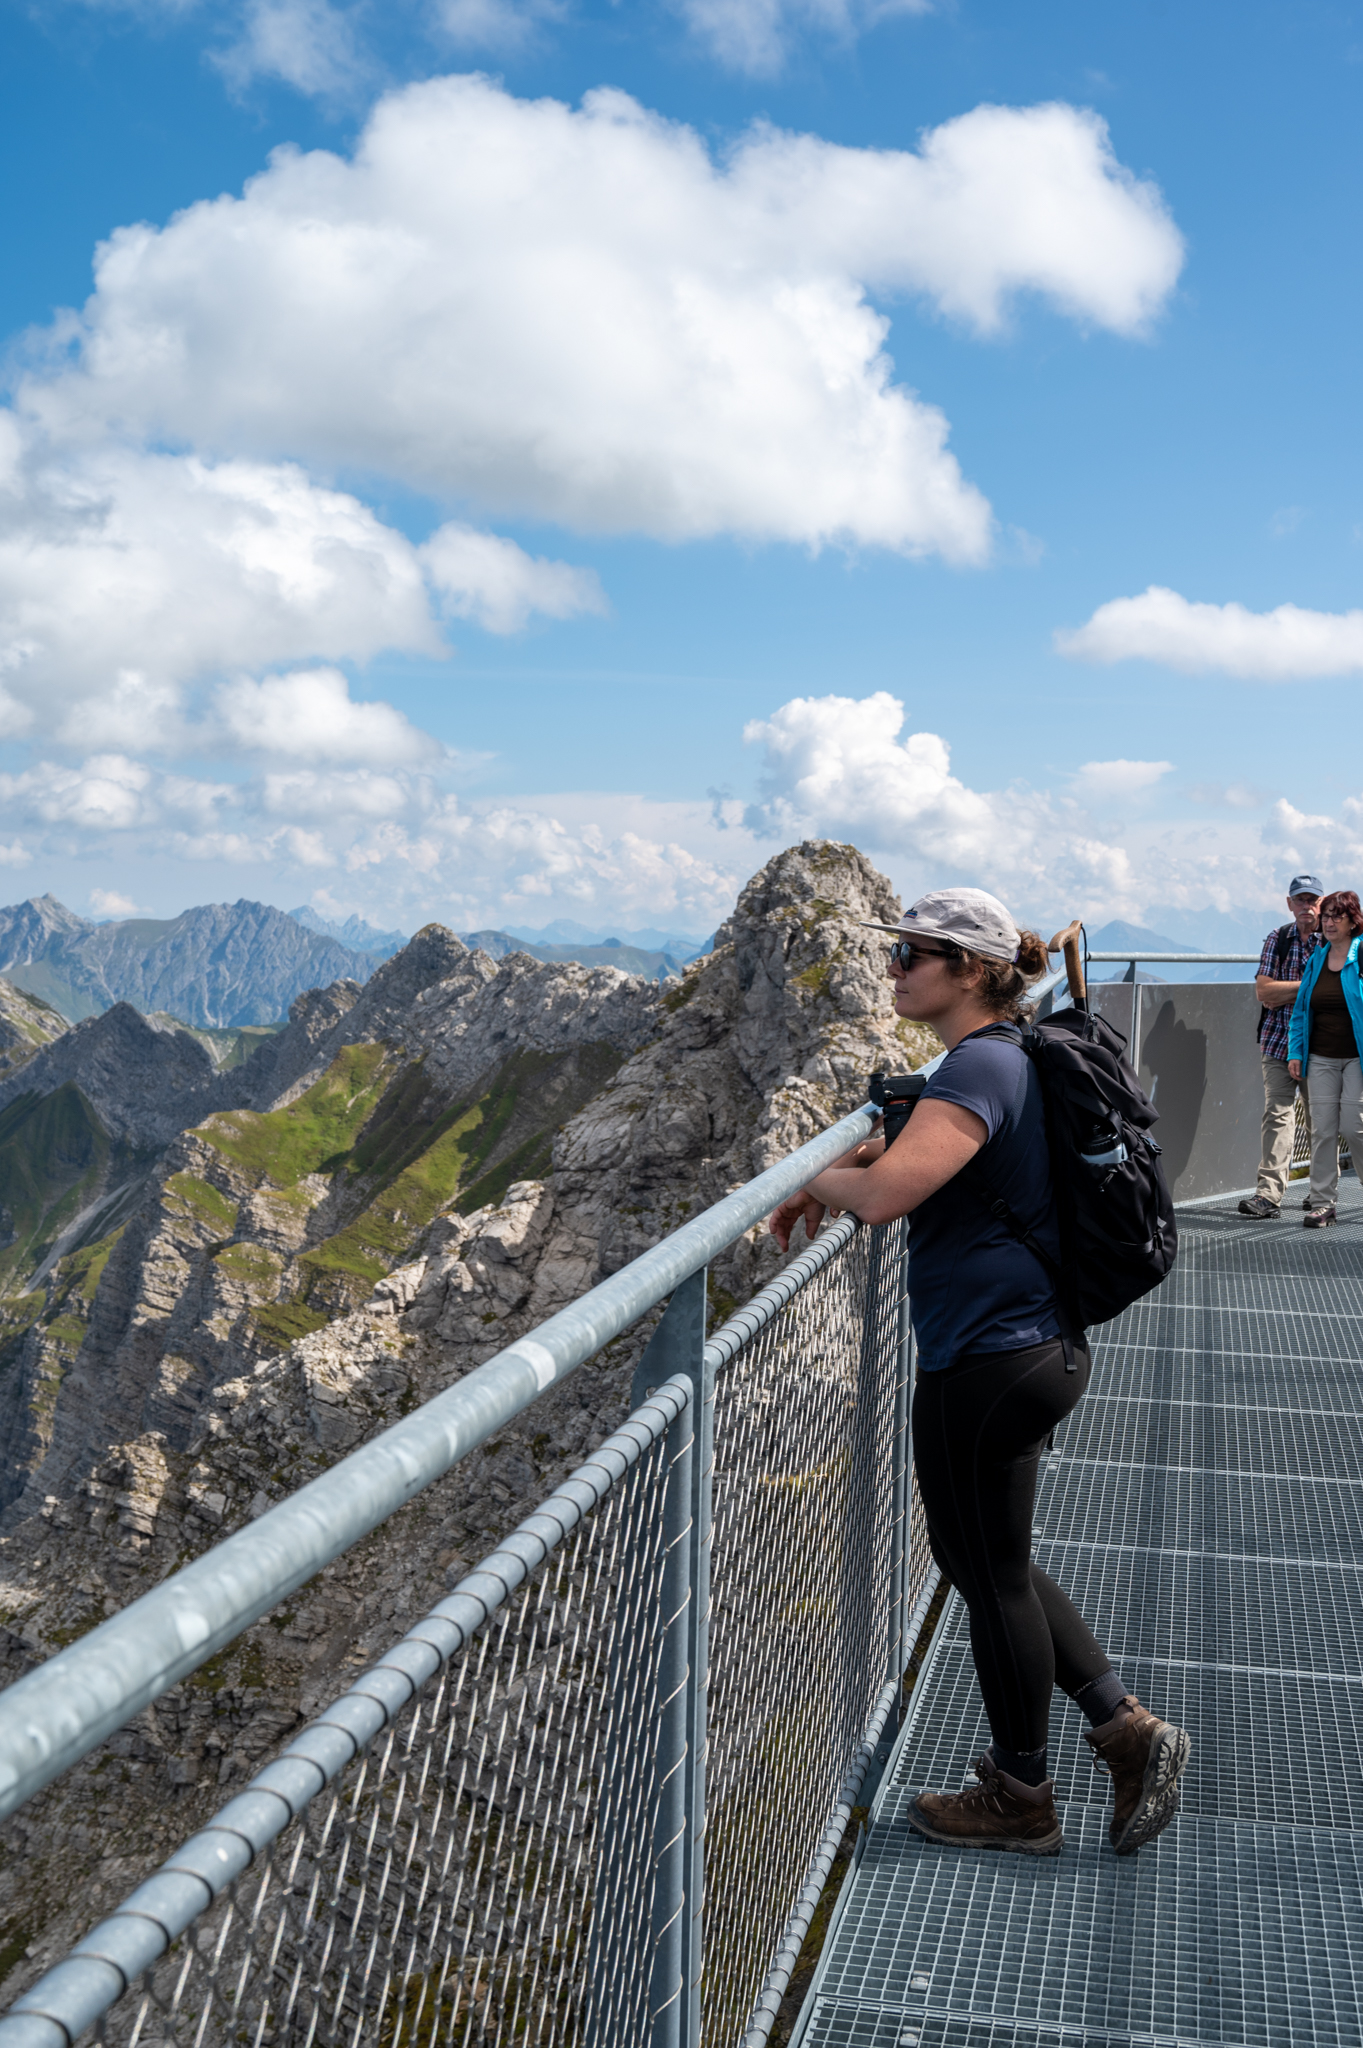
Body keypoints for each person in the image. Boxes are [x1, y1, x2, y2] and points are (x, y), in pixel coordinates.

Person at [768, 887, 1190, 1858]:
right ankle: (1123, 1728)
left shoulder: (981, 1061)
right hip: (1033, 1346)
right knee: (989, 1560)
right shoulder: (1013, 1053)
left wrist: (815, 1172)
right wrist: (876, 1146)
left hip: (991, 1354)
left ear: (968, 970)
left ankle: (1020, 1795)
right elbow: (956, 1158)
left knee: (984, 1571)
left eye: (911, 952)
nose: (894, 968)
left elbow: (880, 1196)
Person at [1239, 874, 1323, 1220]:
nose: (1307, 906)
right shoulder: (1279, 938)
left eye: (1312, 900)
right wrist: (1309, 987)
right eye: (1300, 900)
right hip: (1277, 1041)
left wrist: (1285, 990)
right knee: (1277, 1115)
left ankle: (1320, 1194)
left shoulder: (1333, 940)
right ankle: (1268, 1195)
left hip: (1321, 1044)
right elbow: (1264, 993)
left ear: (1321, 902)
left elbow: (1330, 992)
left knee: (1322, 1120)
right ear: (1289, 904)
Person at [1287, 889, 1363, 1228]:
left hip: (1357, 1058)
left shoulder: (1360, 958)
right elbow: (1302, 1010)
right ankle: (1322, 1204)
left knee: (1354, 1126)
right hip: (1321, 1058)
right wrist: (1295, 1052)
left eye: (1337, 916)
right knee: (1322, 1131)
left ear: (1352, 921)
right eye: (1327, 915)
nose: (1329, 921)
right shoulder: (1317, 959)